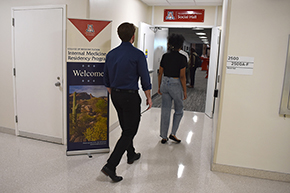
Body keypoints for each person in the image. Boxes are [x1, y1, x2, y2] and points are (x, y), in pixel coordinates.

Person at [101, 22, 152, 182]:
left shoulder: (111, 54)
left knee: (125, 126)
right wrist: (149, 97)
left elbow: (106, 77)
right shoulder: (137, 55)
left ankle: (131, 154)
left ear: (119, 36)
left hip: (115, 95)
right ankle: (111, 165)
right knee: (130, 130)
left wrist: (113, 91)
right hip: (130, 96)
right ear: (133, 36)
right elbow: (145, 78)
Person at [158, 34, 187, 144]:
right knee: (179, 110)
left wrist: (160, 86)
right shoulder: (182, 58)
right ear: (180, 45)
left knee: (165, 110)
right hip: (175, 84)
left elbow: (160, 72)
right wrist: (184, 91)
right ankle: (173, 133)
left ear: (170, 44)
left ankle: (164, 136)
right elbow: (182, 76)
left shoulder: (165, 56)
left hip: (165, 82)